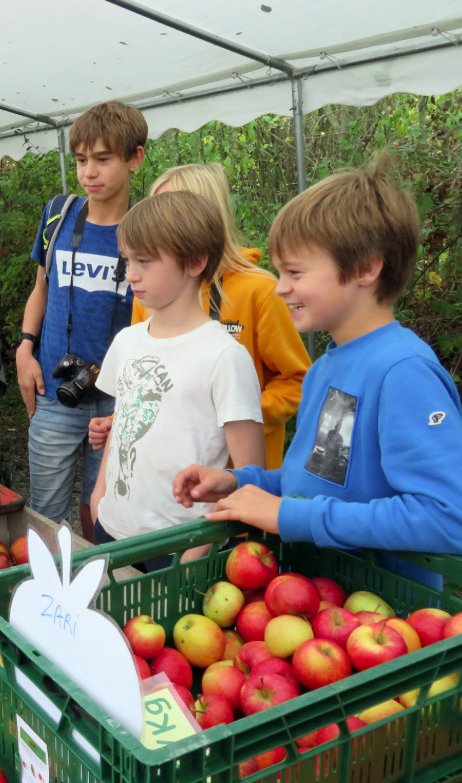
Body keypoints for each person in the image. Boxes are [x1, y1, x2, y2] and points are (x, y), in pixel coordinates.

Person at [173, 155, 462, 588]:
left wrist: (292, 515)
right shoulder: (325, 366)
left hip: (388, 624)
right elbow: (318, 483)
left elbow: (460, 521)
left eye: (294, 271)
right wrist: (238, 480)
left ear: (366, 267)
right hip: (315, 606)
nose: (281, 286)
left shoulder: (403, 371)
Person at [88, 163, 311, 469]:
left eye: (173, 213)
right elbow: (140, 375)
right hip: (165, 477)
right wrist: (118, 420)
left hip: (234, 476)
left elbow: (297, 380)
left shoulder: (259, 291)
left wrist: (233, 417)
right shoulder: (151, 295)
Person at [91, 191, 264, 568]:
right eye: (128, 260)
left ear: (195, 261)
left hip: (180, 546)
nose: (130, 274)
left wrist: (194, 554)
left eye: (145, 261)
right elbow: (124, 424)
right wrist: (98, 499)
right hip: (112, 533)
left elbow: (251, 476)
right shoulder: (127, 340)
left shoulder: (225, 357)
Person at [17, 101, 145, 541]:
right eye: (81, 160)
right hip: (56, 390)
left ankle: (98, 598)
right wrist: (24, 346)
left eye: (103, 159)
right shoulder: (59, 213)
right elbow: (41, 288)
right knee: (45, 515)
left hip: (119, 401)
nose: (89, 172)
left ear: (135, 158)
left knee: (105, 513)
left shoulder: (149, 229)